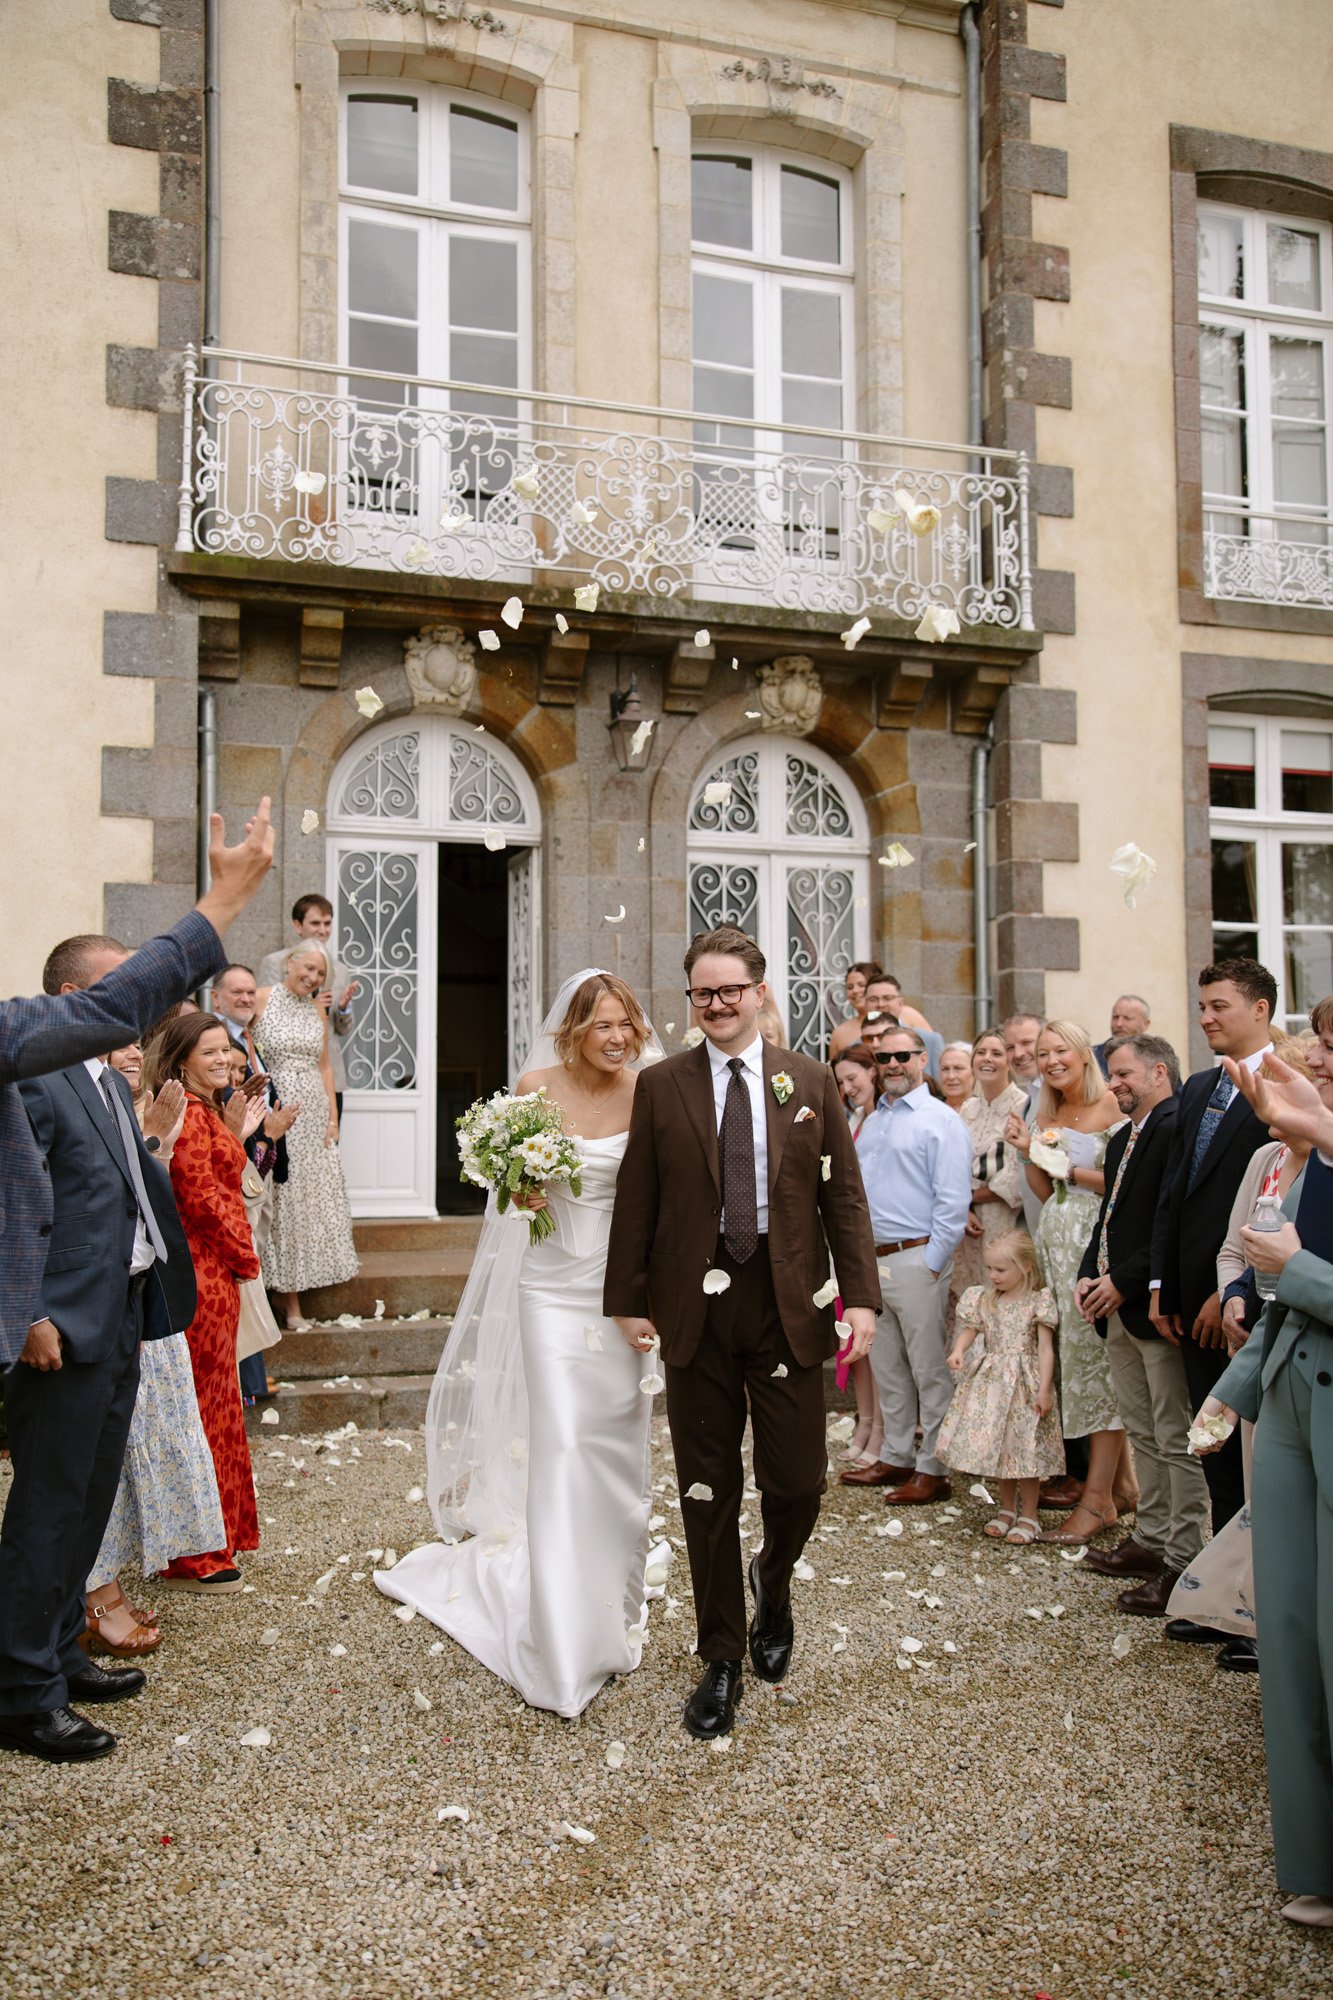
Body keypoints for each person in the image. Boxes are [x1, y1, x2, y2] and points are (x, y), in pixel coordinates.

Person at [604, 925, 879, 1741]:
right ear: (690, 1002)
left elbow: (844, 1200)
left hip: (788, 1303)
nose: (716, 1003)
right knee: (707, 1488)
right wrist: (627, 1298)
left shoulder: (810, 1082)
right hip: (695, 1310)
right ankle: (720, 1651)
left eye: (730, 989)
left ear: (761, 993)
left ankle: (774, 1572)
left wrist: (857, 1297)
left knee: (797, 1482)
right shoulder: (662, 1085)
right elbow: (637, 1200)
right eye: (702, 992)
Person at [378, 973, 669, 1719]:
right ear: (571, 1030)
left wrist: (648, 1295)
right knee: (564, 1441)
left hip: (622, 1295)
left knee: (618, 1442)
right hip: (550, 1287)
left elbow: (666, 1197)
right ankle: (561, 1632)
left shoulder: (651, 1092)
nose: (617, 1038)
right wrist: (518, 1187)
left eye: (626, 1025)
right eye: (602, 1025)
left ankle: (609, 1594)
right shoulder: (534, 1086)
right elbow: (503, 1188)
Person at [0, 940, 205, 1766]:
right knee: (46, 1511)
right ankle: (21, 1693)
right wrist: (32, 1317)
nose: (132, 1001)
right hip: (62, 1328)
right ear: (72, 994)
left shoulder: (106, 1081)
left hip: (121, 1312)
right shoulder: (30, 1077)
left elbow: (116, 1190)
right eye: (116, 982)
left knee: (88, 1502)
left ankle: (59, 1652)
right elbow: (15, 1205)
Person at [0, 801, 274, 1381]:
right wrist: (223, 901)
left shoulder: (121, 1085)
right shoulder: (37, 1075)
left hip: (123, 1310)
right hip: (70, 1316)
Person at [1192, 1049, 1333, 1929]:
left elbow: (1295, 1267)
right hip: (1285, 1390)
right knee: (1286, 1631)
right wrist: (1236, 1387)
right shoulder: (1305, 1152)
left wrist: (1298, 1268)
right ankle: (1314, 1859)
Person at [83, 1043, 227, 1656]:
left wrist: (155, 1140)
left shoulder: (124, 1096)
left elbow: (150, 1199)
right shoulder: (65, 1093)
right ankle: (93, 1594)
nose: (135, 1047)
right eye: (120, 1037)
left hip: (144, 1298)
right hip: (93, 1301)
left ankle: (101, 1580)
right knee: (96, 1463)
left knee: (138, 1447)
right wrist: (153, 1138)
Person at [1072, 1034, 1208, 1613]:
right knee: (1142, 1429)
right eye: (1112, 1075)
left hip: (1150, 1301)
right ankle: (1150, 1538)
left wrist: (1124, 1281)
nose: (1115, 1084)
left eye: (1124, 1073)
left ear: (1159, 1072)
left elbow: (1167, 1222)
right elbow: (1110, 1215)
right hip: (1115, 1306)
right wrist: (1086, 1271)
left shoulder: (1178, 1124)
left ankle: (1187, 1559)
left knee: (1174, 1436)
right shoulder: (1125, 1135)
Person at [1149, 957, 1276, 1533]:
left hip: (1243, 1298)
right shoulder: (1200, 1084)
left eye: (1218, 1006)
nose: (1204, 1018)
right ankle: (1217, 1583)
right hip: (1186, 1295)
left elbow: (1274, 1200)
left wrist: (1227, 1290)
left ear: (1260, 1009)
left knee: (1251, 1448)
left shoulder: (1285, 1083)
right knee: (1208, 1445)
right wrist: (1162, 1284)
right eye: (1201, 1007)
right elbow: (1172, 1192)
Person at [146, 1014, 265, 1594]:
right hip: (201, 1276)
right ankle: (193, 1554)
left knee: (217, 1406)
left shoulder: (207, 1112)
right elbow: (204, 1201)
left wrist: (235, 1135)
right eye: (211, 1052)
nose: (224, 1060)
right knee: (200, 1412)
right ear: (182, 1060)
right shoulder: (188, 1116)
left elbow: (224, 1176)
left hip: (213, 1276)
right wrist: (247, 1260)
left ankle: (215, 1537)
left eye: (228, 1050)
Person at [1006, 1020, 1130, 1546]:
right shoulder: (1049, 1111)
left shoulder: (1112, 1110)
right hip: (1057, 1238)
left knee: (1097, 1370)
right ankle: (1124, 1487)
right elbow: (1041, 1188)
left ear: (1083, 1054)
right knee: (1074, 1366)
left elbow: (1126, 1180)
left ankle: (1097, 1501)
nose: (1051, 1060)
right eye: (1042, 1053)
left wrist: (1069, 1172)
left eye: (1060, 1051)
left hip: (1096, 1241)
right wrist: (1025, 1147)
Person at [840, 1026, 971, 1506]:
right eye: (884, 1057)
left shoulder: (941, 1121)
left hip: (918, 1259)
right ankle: (895, 1454)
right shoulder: (873, 1119)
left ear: (922, 1059)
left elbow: (953, 1200)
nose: (893, 1064)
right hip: (872, 1261)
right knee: (887, 1366)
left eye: (902, 1055)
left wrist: (934, 1262)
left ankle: (933, 1469)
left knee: (928, 1367)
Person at [252, 946, 358, 1329]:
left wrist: (332, 1117)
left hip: (313, 1110)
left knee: (307, 1197)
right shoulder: (261, 999)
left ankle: (295, 1289)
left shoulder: (317, 1008)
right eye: (309, 968)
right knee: (282, 1196)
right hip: (277, 1109)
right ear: (289, 963)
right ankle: (282, 1296)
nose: (313, 978)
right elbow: (244, 1051)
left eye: (320, 975)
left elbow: (325, 1065)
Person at [939, 1231, 1061, 1545]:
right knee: (1002, 1452)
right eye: (990, 1269)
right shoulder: (985, 1299)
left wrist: (1044, 1389)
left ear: (1024, 1266)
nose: (993, 1276)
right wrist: (958, 1351)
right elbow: (971, 1328)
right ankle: (1007, 1510)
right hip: (993, 1386)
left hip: (1025, 1384)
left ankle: (1029, 1515)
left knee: (1025, 1453)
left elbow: (1046, 1349)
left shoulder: (1037, 1302)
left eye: (1001, 1270)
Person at [257, 894, 359, 1121]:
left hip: (327, 1072)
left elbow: (342, 1030)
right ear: (297, 925)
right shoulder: (275, 962)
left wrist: (342, 1009)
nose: (322, 930)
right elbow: (264, 1018)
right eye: (315, 923)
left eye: (327, 923)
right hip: (284, 1074)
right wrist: (311, 1007)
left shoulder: (340, 970)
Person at [832, 1044, 885, 1466]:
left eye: (854, 1078)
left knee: (879, 1348)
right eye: (842, 1082)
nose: (849, 1088)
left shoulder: (885, 1120)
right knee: (855, 1345)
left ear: (874, 1071)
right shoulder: (850, 1119)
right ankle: (864, 1419)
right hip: (848, 1243)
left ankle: (883, 1431)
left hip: (880, 1238)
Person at [953, 1028, 1029, 1296]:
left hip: (1003, 1220)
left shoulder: (1024, 1106)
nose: (987, 1059)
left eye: (997, 1053)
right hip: (965, 1223)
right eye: (981, 1052)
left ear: (1009, 1060)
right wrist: (962, 1208)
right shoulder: (968, 1108)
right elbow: (954, 1164)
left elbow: (1016, 1177)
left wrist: (967, 1199)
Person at [864, 973, 942, 1077]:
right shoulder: (855, 1046)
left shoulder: (930, 1041)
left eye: (887, 998)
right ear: (865, 1005)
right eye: (873, 999)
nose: (880, 1004)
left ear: (901, 1003)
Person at [828, 961, 885, 1062]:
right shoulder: (839, 1033)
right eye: (850, 987)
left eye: (861, 985)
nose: (855, 991)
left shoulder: (905, 1016)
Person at [1093, 994, 1152, 1076]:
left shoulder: (1159, 1057)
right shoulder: (1093, 1057)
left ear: (1146, 1024)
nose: (1119, 1024)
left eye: (1127, 1018)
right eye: (1115, 1017)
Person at [938, 1042, 974, 1113]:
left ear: (974, 1072)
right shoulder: (928, 1109)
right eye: (945, 1069)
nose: (951, 1076)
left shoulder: (987, 1111)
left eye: (958, 1068)